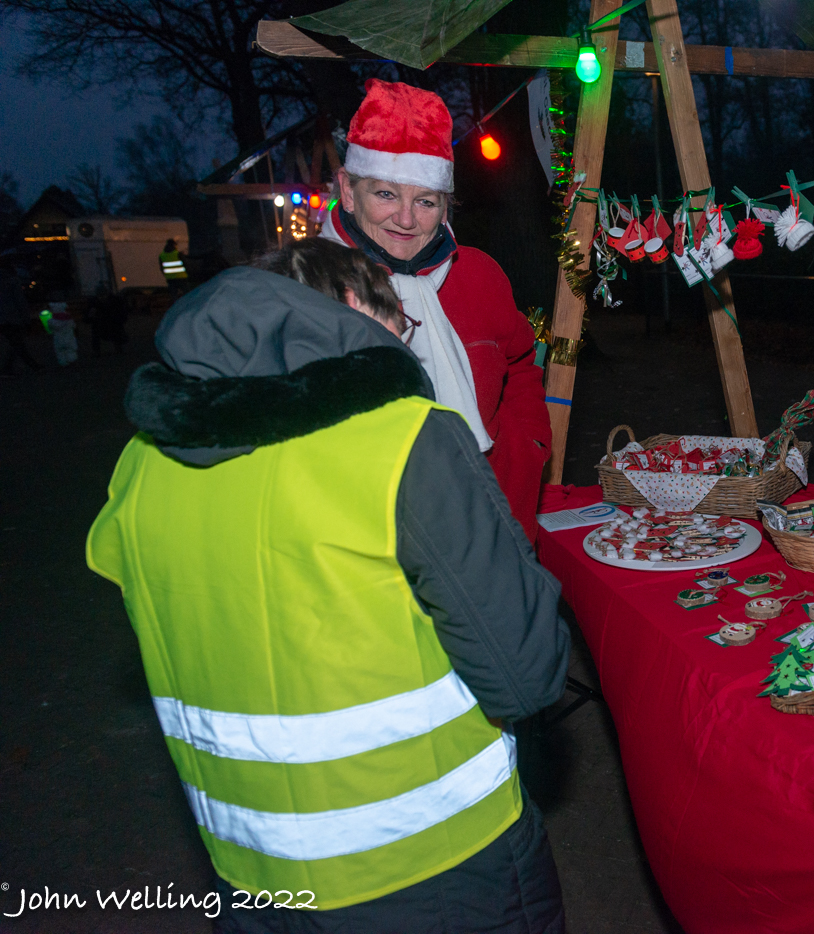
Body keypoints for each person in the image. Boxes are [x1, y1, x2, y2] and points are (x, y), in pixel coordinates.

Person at [86, 244, 570, 934]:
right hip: (435, 864)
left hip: (251, 872)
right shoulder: (403, 440)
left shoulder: (140, 464)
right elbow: (525, 677)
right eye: (399, 323)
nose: (409, 342)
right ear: (349, 310)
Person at [321, 78, 552, 540]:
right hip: (364, 537)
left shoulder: (480, 275)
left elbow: (521, 362)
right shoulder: (313, 285)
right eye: (385, 194)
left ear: (445, 205)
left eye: (424, 201)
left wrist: (525, 450)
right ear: (348, 190)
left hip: (489, 519)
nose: (406, 219)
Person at [0, 261, 41, 376]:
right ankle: (31, 365)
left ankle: (31, 365)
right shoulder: (13, 281)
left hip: (3, 318)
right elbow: (20, 302)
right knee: (17, 343)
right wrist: (26, 318)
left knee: (16, 343)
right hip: (13, 317)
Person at [90, 287, 128, 357]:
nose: (101, 298)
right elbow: (88, 317)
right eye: (99, 296)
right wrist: (91, 315)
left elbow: (122, 313)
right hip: (101, 323)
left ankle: (119, 347)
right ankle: (97, 350)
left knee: (117, 332)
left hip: (114, 321)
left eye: (103, 296)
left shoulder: (115, 300)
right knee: (96, 331)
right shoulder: (94, 302)